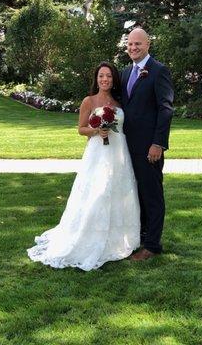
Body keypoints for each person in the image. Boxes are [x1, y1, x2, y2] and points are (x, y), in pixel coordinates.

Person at [27, 62, 140, 271]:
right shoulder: (89, 101)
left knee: (118, 193)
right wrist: (97, 130)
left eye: (108, 76)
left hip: (120, 155)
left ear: (114, 79)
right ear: (96, 79)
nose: (104, 79)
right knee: (98, 193)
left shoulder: (119, 102)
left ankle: (118, 238)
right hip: (98, 155)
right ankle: (90, 237)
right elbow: (80, 129)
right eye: (101, 76)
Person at [121, 28, 174, 261]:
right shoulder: (124, 73)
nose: (133, 48)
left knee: (151, 194)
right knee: (136, 193)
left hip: (149, 148)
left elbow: (165, 109)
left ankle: (152, 245)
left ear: (148, 45)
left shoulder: (158, 71)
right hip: (126, 147)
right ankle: (141, 236)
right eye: (130, 44)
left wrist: (158, 144)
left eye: (138, 44)